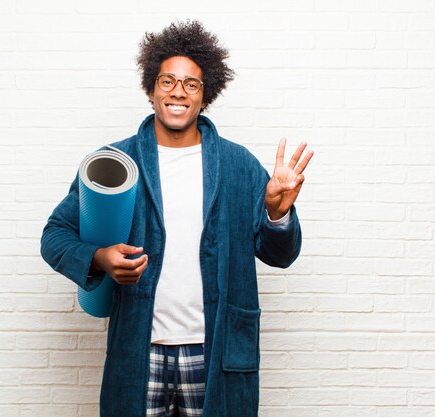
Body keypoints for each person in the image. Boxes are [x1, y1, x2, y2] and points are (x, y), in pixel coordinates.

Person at [41, 20, 313, 417]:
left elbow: (280, 255)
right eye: (167, 81)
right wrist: (100, 258)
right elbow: (55, 235)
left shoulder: (238, 165)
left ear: (205, 96)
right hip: (140, 349)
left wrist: (277, 212)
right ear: (151, 90)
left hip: (215, 350)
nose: (178, 93)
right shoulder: (116, 162)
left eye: (191, 84)